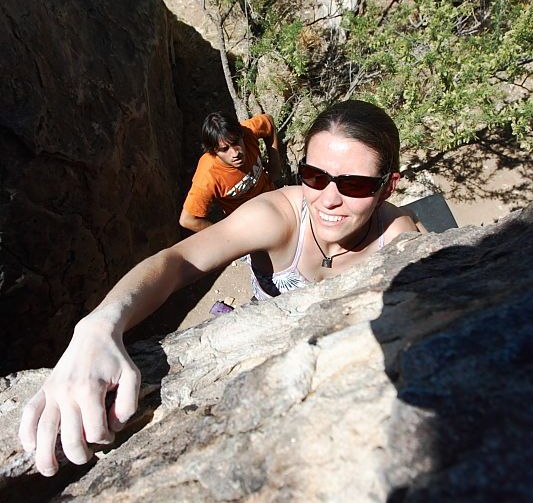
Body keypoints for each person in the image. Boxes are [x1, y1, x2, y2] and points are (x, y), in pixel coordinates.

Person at [19, 100, 418, 476]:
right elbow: (176, 262)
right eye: (315, 177)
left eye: (355, 185)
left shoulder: (402, 239)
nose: (328, 199)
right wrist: (99, 325)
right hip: (261, 340)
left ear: (388, 186)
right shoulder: (278, 216)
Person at [179, 111, 282, 232]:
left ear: (241, 135)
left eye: (236, 143)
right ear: (213, 151)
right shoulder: (208, 176)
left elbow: (268, 121)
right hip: (247, 225)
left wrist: (275, 164)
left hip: (274, 201)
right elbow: (187, 220)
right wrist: (227, 234)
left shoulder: (247, 132)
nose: (235, 153)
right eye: (224, 149)